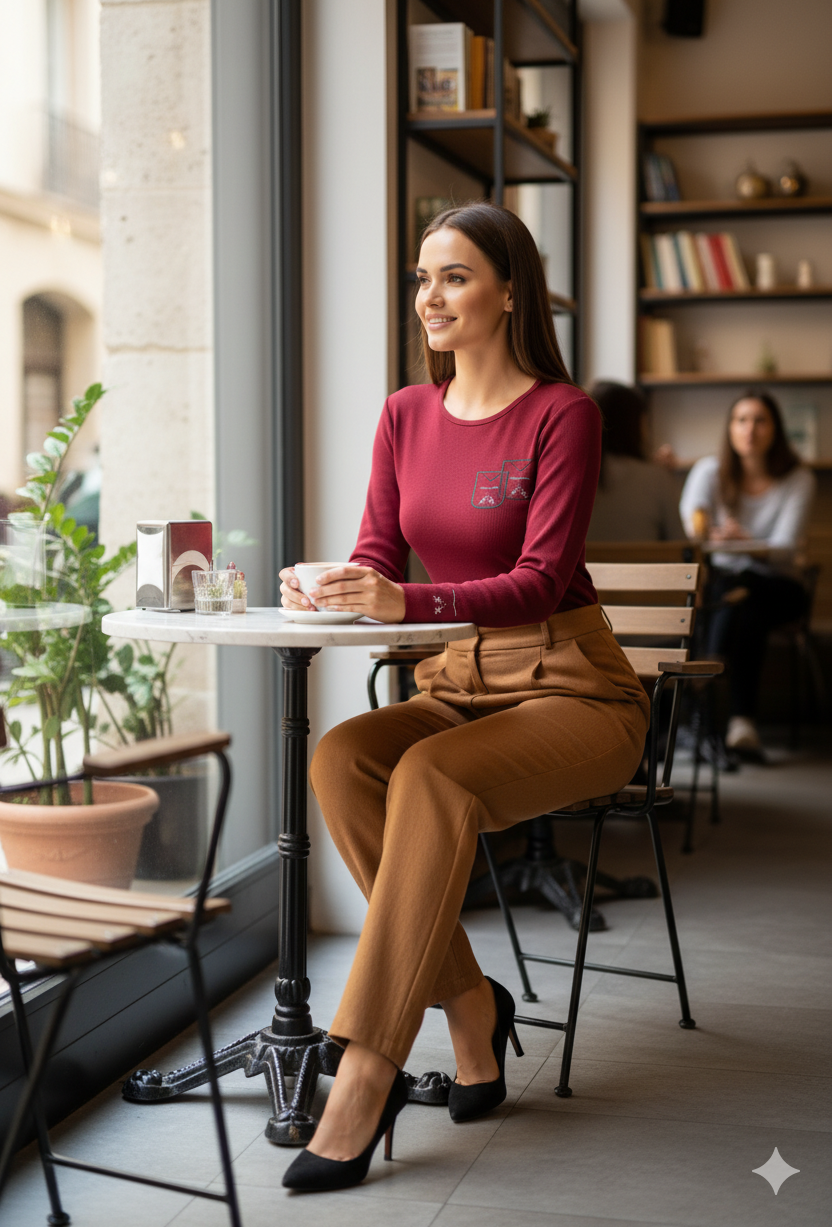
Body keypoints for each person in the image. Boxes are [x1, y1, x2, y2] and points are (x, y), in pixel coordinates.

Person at [278, 202, 649, 1192]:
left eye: (452, 278)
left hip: (576, 690)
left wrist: (407, 595)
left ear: (509, 293)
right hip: (457, 681)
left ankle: (365, 1072)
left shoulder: (563, 413)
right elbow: (376, 555)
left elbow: (537, 579)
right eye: (419, 277)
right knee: (341, 759)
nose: (427, 299)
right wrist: (334, 584)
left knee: (432, 778)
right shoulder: (405, 412)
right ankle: (471, 1004)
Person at [680, 391, 815, 755]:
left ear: (776, 429)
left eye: (760, 420)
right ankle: (742, 722)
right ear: (729, 428)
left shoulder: (797, 478)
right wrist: (718, 537)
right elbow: (695, 530)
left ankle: (707, 677)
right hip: (733, 592)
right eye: (741, 420)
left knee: (747, 586)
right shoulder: (710, 471)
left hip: (781, 587)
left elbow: (786, 548)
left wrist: (742, 540)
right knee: (744, 602)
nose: (749, 429)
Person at [586, 380, 686, 542]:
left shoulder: (569, 476)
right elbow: (680, 547)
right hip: (642, 568)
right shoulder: (656, 479)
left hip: (587, 568)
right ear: (635, 425)